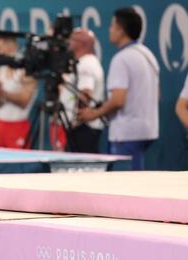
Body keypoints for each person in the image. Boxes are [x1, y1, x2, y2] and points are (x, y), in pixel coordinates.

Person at [78, 8, 159, 170]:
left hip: (126, 133)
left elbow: (117, 100)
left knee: (126, 186)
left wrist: (93, 114)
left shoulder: (121, 59)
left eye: (112, 26)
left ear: (121, 30)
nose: (109, 30)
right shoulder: (148, 55)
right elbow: (157, 94)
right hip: (148, 130)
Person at [60, 28, 104, 153]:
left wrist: (75, 122)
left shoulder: (86, 64)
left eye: (72, 39)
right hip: (82, 128)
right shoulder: (85, 62)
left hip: (83, 129)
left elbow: (85, 95)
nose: (68, 42)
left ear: (81, 44)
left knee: (82, 169)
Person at [0, 36, 37, 148]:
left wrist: (1, 92)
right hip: (0, 125)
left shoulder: (25, 71)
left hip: (18, 126)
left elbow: (24, 101)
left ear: (11, 47)